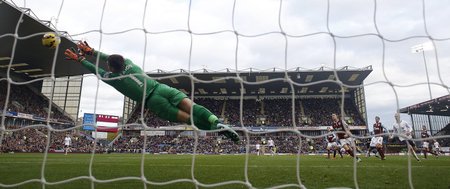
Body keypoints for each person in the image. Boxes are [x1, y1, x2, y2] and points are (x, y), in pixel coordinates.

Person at [65, 42, 239, 142]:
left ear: (111, 68)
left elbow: (95, 69)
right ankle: (216, 121)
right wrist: (92, 51)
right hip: (161, 88)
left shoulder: (112, 78)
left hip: (153, 101)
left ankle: (216, 129)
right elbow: (110, 57)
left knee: (189, 119)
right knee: (192, 106)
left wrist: (81, 58)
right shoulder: (130, 63)